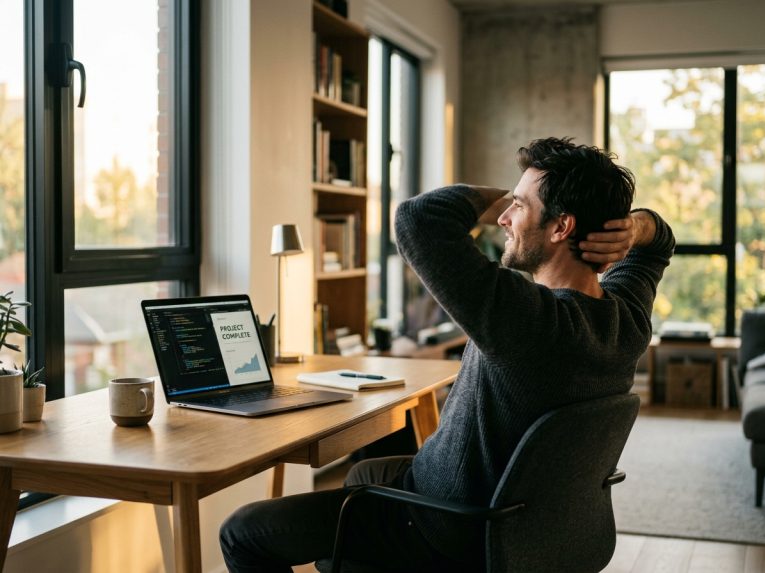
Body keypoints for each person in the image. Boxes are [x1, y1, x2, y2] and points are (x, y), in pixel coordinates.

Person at [219, 137, 675, 572]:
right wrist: (637, 226)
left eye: (520, 207)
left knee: (242, 533)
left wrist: (499, 196)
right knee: (366, 473)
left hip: (448, 527)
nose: (504, 219)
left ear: (561, 226)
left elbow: (418, 220)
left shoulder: (526, 321)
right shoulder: (626, 319)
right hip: (528, 521)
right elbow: (658, 246)